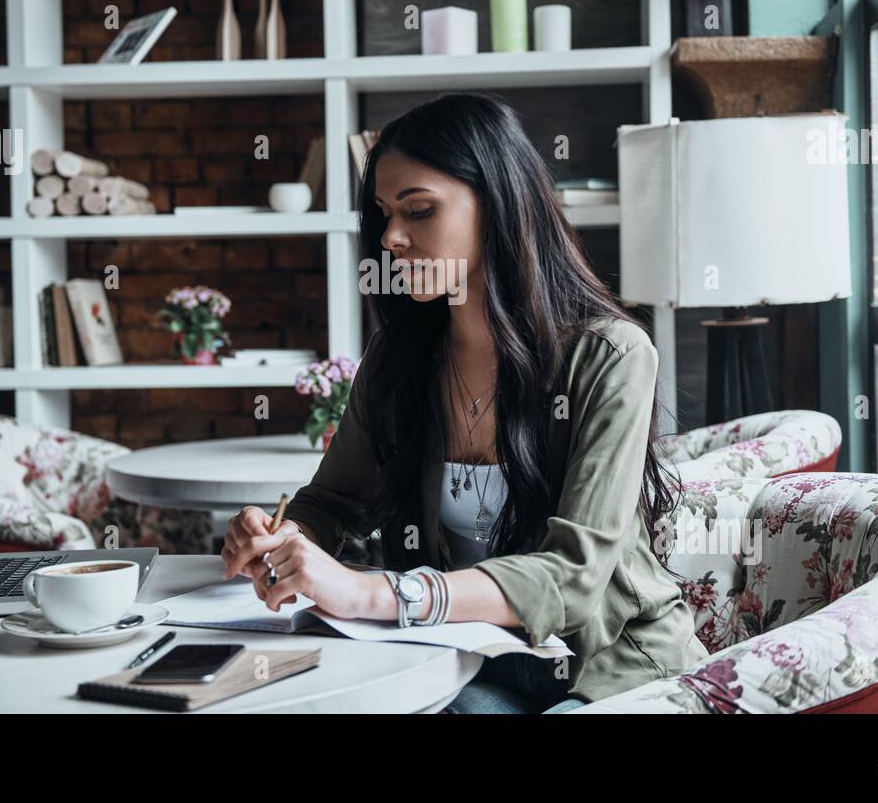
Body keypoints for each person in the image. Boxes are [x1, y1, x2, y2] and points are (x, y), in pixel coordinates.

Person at [220, 91, 708, 713]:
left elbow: (572, 575)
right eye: (384, 214)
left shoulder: (610, 355)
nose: (392, 238)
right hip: (464, 660)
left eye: (419, 210)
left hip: (607, 669)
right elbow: (334, 501)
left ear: (499, 206)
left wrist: (373, 594)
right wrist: (284, 538)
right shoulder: (397, 358)